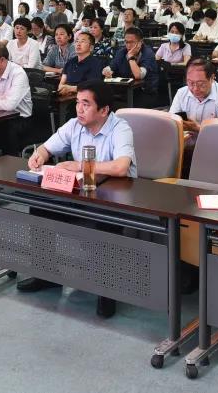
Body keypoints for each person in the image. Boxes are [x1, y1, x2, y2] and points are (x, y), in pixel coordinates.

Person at [21, 81, 136, 318]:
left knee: (103, 223)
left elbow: (121, 167)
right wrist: (38, 155)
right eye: (77, 103)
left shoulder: (120, 128)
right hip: (84, 192)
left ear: (103, 110)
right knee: (41, 207)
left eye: (86, 104)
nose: (79, 109)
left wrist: (79, 165)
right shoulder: (75, 125)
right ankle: (47, 275)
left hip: (116, 196)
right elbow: (47, 148)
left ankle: (107, 292)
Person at [169, 57, 218, 133]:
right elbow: (171, 121)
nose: (195, 89)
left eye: (201, 84)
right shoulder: (181, 93)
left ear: (212, 78)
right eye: (190, 83)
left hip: (214, 140)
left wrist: (197, 128)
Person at [102, 27, 159, 105]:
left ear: (140, 42)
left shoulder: (148, 53)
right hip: (126, 91)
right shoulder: (122, 52)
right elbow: (111, 67)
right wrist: (106, 71)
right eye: (126, 42)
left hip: (145, 93)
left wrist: (131, 57)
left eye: (131, 42)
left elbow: (139, 75)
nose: (128, 45)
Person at [59, 30, 102, 95]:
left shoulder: (96, 63)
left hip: (84, 97)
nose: (78, 44)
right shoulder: (70, 62)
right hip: (65, 96)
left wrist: (70, 88)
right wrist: (63, 89)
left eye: (82, 41)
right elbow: (61, 83)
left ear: (91, 48)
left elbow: (91, 87)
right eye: (77, 41)